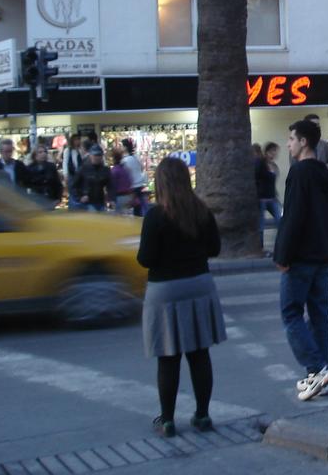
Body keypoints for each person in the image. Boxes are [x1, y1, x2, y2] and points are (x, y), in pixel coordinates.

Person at [138, 157, 227, 438]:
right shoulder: (202, 212)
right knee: (200, 354)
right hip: (199, 285)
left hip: (165, 289)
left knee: (168, 357)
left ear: (161, 183)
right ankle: (202, 414)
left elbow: (146, 258)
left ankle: (167, 420)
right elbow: (214, 248)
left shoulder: (155, 216)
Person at [274, 119, 328, 401]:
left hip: (300, 256)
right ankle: (319, 374)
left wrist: (282, 254)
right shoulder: (324, 173)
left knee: (291, 313)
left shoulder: (299, 173)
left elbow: (293, 216)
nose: (288, 144)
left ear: (304, 142)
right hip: (322, 254)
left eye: (291, 138)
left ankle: (317, 368)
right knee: (319, 315)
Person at [72, 144, 115, 212]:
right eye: (95, 155)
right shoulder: (83, 169)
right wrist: (80, 197)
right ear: (90, 156)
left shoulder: (105, 170)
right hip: (88, 203)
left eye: (99, 155)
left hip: (100, 202)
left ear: (102, 156)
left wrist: (111, 199)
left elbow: (110, 186)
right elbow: (74, 186)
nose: (97, 157)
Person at [255, 142, 282, 249]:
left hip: (272, 198)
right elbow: (256, 178)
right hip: (262, 198)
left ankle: (279, 245)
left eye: (275, 151)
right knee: (261, 225)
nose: (274, 154)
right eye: (272, 151)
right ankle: (260, 248)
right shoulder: (260, 163)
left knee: (280, 220)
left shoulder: (273, 166)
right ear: (266, 152)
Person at [26, 144, 63, 209]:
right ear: (35, 155)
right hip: (35, 201)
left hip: (50, 200)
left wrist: (58, 199)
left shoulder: (51, 167)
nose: (43, 154)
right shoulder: (29, 168)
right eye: (40, 152)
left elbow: (58, 184)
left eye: (44, 152)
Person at [121, 138, 149, 216]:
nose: (120, 148)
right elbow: (142, 168)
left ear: (125, 147)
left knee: (134, 209)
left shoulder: (124, 161)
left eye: (121, 146)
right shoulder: (136, 157)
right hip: (140, 186)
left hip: (132, 188)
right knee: (142, 208)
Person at [62, 134, 85, 208]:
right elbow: (65, 162)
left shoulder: (81, 150)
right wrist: (65, 174)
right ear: (72, 141)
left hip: (81, 175)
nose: (77, 141)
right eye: (75, 140)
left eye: (78, 139)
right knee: (72, 192)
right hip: (72, 175)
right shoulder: (68, 150)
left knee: (80, 191)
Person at [111, 148, 135, 214]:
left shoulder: (114, 170)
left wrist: (110, 198)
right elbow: (130, 182)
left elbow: (113, 186)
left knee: (119, 218)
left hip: (119, 198)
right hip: (128, 197)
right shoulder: (125, 169)